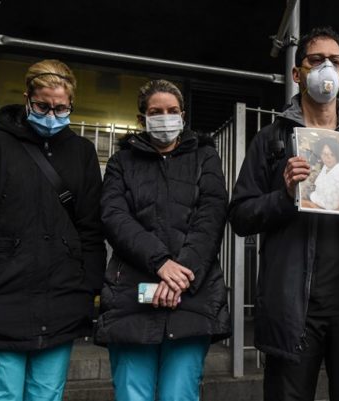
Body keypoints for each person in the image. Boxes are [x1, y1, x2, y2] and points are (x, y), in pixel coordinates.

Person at [228, 27, 339, 401]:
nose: (326, 67)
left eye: (335, 61)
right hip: (293, 308)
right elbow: (241, 215)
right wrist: (285, 195)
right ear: (297, 74)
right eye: (316, 60)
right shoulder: (272, 140)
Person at [0, 59, 106, 401]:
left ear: (71, 104)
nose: (52, 115)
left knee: (46, 396)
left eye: (61, 107)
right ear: (27, 99)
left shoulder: (82, 152)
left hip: (61, 305)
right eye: (43, 106)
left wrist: (87, 288)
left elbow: (90, 228)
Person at [94, 79, 231, 401]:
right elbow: (114, 217)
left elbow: (211, 217)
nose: (165, 117)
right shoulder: (121, 162)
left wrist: (180, 273)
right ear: (142, 118)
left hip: (191, 292)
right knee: (131, 394)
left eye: (172, 111)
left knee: (179, 395)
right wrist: (160, 262)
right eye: (156, 112)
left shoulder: (205, 157)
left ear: (183, 115)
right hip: (131, 295)